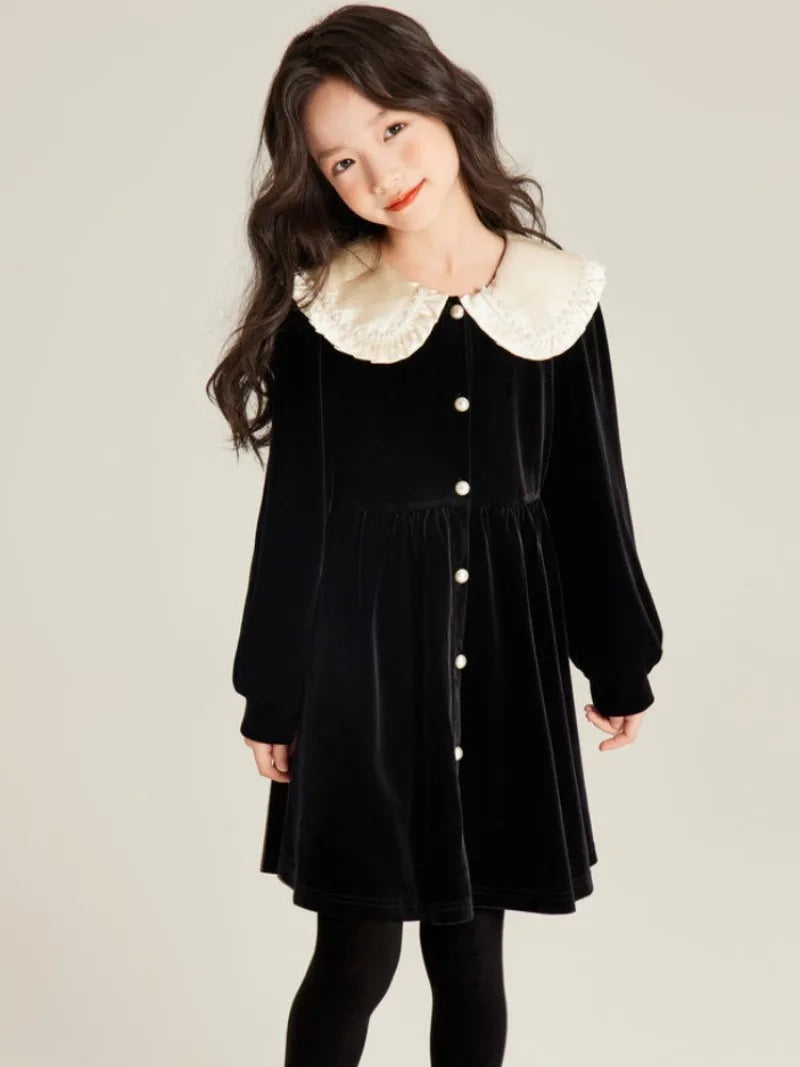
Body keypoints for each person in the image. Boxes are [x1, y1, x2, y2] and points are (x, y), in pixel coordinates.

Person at [206, 5, 664, 1065]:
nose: (380, 173)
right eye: (343, 162)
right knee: (354, 957)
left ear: (444, 105)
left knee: (472, 958)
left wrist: (618, 660)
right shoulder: (330, 310)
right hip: (361, 672)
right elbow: (297, 515)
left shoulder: (556, 296)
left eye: (392, 129)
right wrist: (273, 689)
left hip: (500, 661)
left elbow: (586, 494)